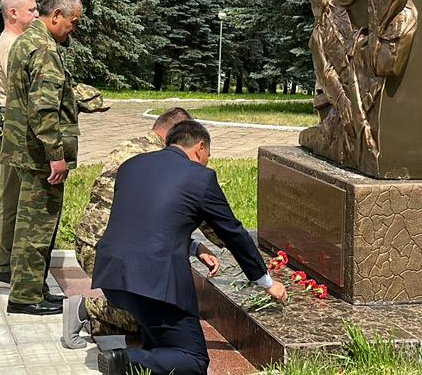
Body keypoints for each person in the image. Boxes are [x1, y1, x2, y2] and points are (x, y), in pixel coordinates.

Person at [92, 120, 287, 375]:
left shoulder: (131, 166)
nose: (207, 160)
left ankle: (143, 361)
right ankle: (126, 361)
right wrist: (266, 282)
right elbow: (233, 233)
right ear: (200, 147)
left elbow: (148, 222)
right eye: (208, 154)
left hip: (112, 272)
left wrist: (194, 247)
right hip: (153, 281)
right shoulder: (200, 177)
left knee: (163, 343)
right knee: (193, 360)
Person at [62, 106, 226, 347]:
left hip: (91, 240)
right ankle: (87, 309)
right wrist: (232, 241)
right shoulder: (165, 162)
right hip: (111, 249)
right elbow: (201, 212)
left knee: (155, 316)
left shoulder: (129, 147)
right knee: (161, 316)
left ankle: (97, 323)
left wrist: (193, 246)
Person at [0, 0, 86, 316]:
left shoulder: (25, 41)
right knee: (37, 227)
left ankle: (31, 289)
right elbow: (43, 108)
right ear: (56, 16)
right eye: (72, 23)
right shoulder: (45, 49)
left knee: (29, 224)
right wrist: (56, 155)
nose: (72, 30)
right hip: (39, 156)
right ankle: (25, 297)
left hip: (26, 150)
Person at [0, 0, 39, 286]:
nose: (36, 15)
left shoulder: (15, 42)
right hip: (14, 129)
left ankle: (7, 263)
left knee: (14, 197)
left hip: (13, 126)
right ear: (13, 14)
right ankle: (5, 266)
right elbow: (24, 93)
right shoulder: (12, 45)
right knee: (12, 199)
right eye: (31, 10)